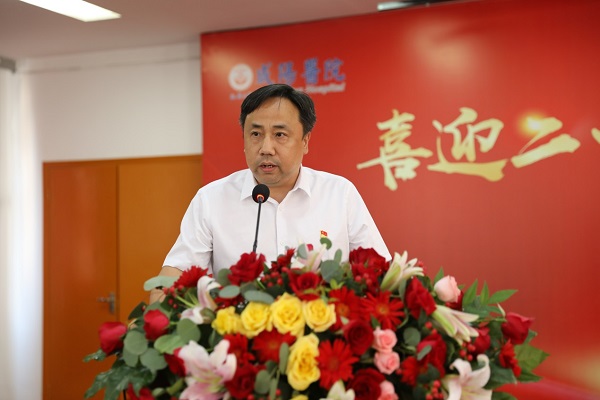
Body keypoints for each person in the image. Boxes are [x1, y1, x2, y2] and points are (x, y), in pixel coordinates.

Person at [150, 83, 389, 302]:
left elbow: (378, 272)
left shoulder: (339, 194)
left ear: (305, 141)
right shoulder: (211, 200)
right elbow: (174, 275)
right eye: (255, 134)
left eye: (280, 135)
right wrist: (159, 311)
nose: (266, 148)